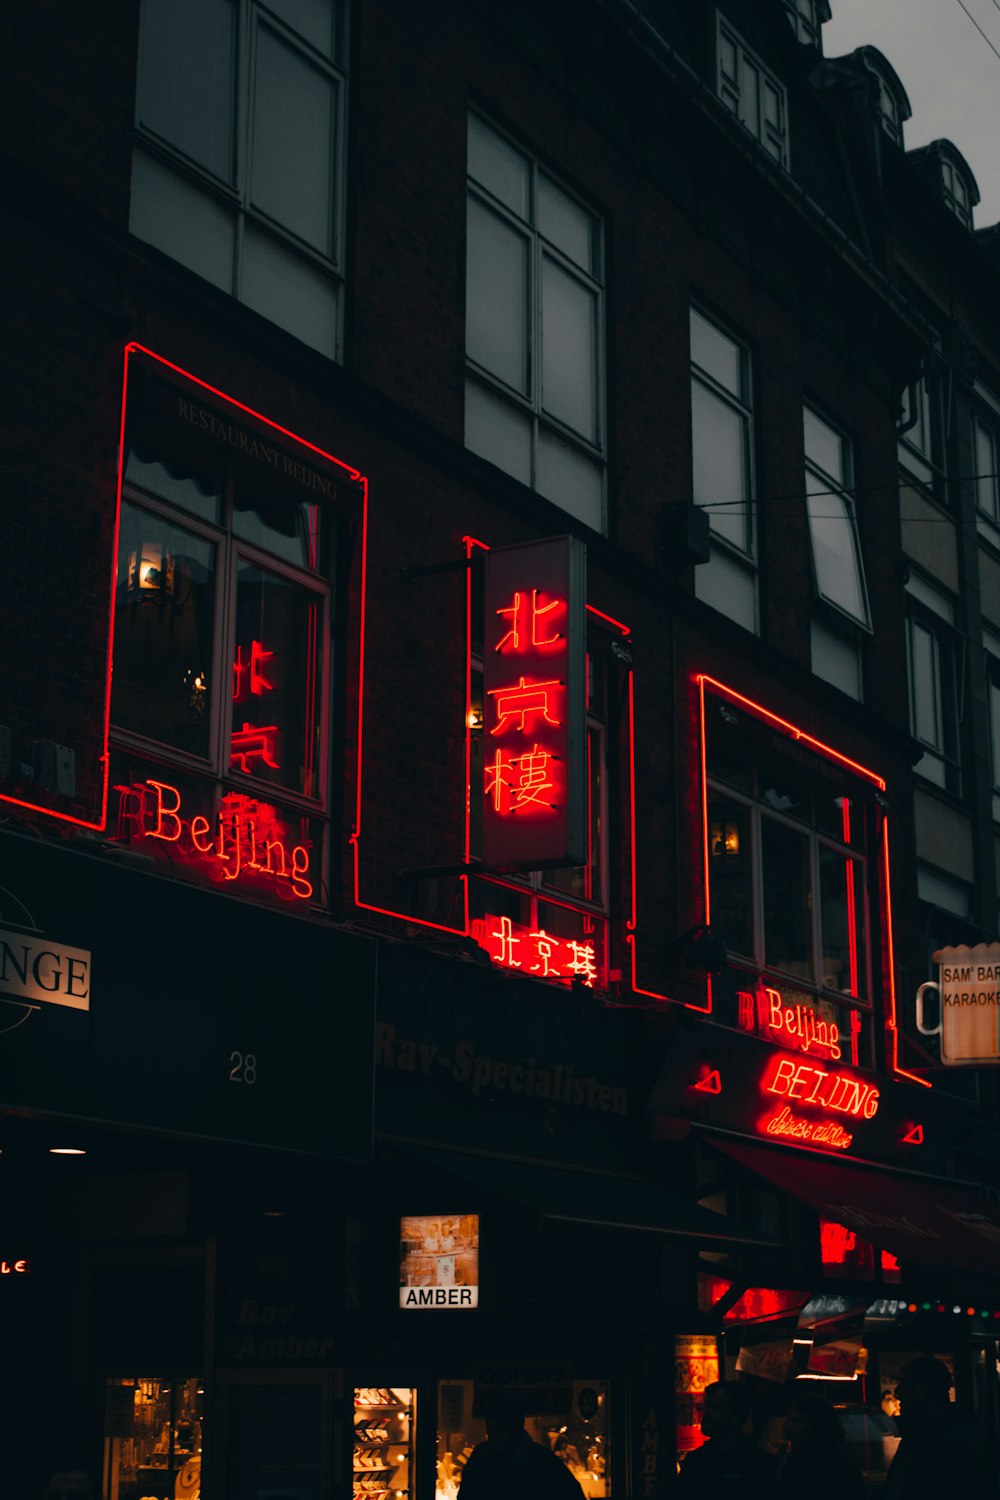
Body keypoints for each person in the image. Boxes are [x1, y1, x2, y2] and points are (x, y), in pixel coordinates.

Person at [882, 1354, 994, 1500]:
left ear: (920, 1390)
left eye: (904, 1385)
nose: (898, 1393)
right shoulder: (917, 1436)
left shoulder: (960, 1443)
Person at [458, 1391, 585, 1500]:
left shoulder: (543, 1462)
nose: (494, 1435)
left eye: (501, 1430)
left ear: (516, 1429)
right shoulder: (481, 1455)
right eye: (491, 1429)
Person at [674, 1380, 774, 1499]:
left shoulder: (757, 1463)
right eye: (706, 1406)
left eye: (716, 1407)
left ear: (736, 1415)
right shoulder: (695, 1460)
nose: (706, 1413)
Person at [775, 1386, 865, 1500]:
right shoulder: (793, 1458)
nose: (787, 1428)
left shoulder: (835, 1468)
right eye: (788, 1420)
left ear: (816, 1424)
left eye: (795, 1421)